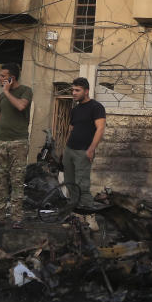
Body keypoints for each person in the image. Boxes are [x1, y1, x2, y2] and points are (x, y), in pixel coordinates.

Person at [0, 63, 33, 228]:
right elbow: (0, 119)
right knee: (1, 181)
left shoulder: (25, 91)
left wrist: (7, 91)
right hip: (0, 143)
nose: (0, 79)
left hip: (18, 142)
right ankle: (0, 217)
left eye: (3, 76)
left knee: (17, 181)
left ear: (12, 77)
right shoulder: (2, 96)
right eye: (0, 76)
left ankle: (17, 218)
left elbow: (21, 106)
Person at [63, 77, 107, 209]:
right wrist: (64, 149)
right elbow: (71, 130)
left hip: (83, 152)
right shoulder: (75, 109)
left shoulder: (96, 107)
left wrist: (92, 149)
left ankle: (89, 218)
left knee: (82, 185)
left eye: (77, 90)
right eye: (73, 90)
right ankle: (75, 217)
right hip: (69, 150)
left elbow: (100, 128)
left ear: (86, 91)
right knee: (70, 183)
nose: (74, 93)